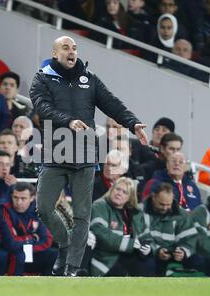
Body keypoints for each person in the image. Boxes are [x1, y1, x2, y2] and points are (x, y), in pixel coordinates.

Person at [29, 35, 148, 276]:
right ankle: (63, 245)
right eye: (65, 47)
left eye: (74, 48)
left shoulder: (89, 79)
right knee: (43, 208)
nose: (72, 51)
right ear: (55, 54)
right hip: (56, 154)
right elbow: (42, 107)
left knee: (83, 215)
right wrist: (68, 121)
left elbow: (111, 104)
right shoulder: (41, 79)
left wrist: (132, 124)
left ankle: (72, 268)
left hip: (84, 155)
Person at [90, 177, 155, 277]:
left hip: (132, 255)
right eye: (117, 189)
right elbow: (100, 234)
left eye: (125, 192)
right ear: (112, 190)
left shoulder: (136, 212)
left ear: (130, 197)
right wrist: (130, 244)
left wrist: (148, 248)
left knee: (150, 264)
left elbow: (146, 235)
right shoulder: (99, 205)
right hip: (107, 258)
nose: (119, 193)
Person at [0, 182, 57, 276]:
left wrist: (25, 245)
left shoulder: (39, 210)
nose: (19, 202)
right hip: (13, 254)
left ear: (32, 198)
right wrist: (33, 238)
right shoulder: (4, 209)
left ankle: (48, 287)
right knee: (18, 255)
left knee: (54, 255)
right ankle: (12, 287)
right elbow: (10, 242)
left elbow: (46, 240)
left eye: (23, 198)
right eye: (15, 198)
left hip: (33, 252)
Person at [143, 181, 200, 276]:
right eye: (161, 204)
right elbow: (141, 237)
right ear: (153, 197)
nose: (165, 208)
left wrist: (183, 251)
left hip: (174, 254)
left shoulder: (181, 214)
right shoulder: (141, 211)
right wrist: (157, 250)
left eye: (168, 204)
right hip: (151, 253)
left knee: (198, 260)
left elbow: (191, 238)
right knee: (147, 263)